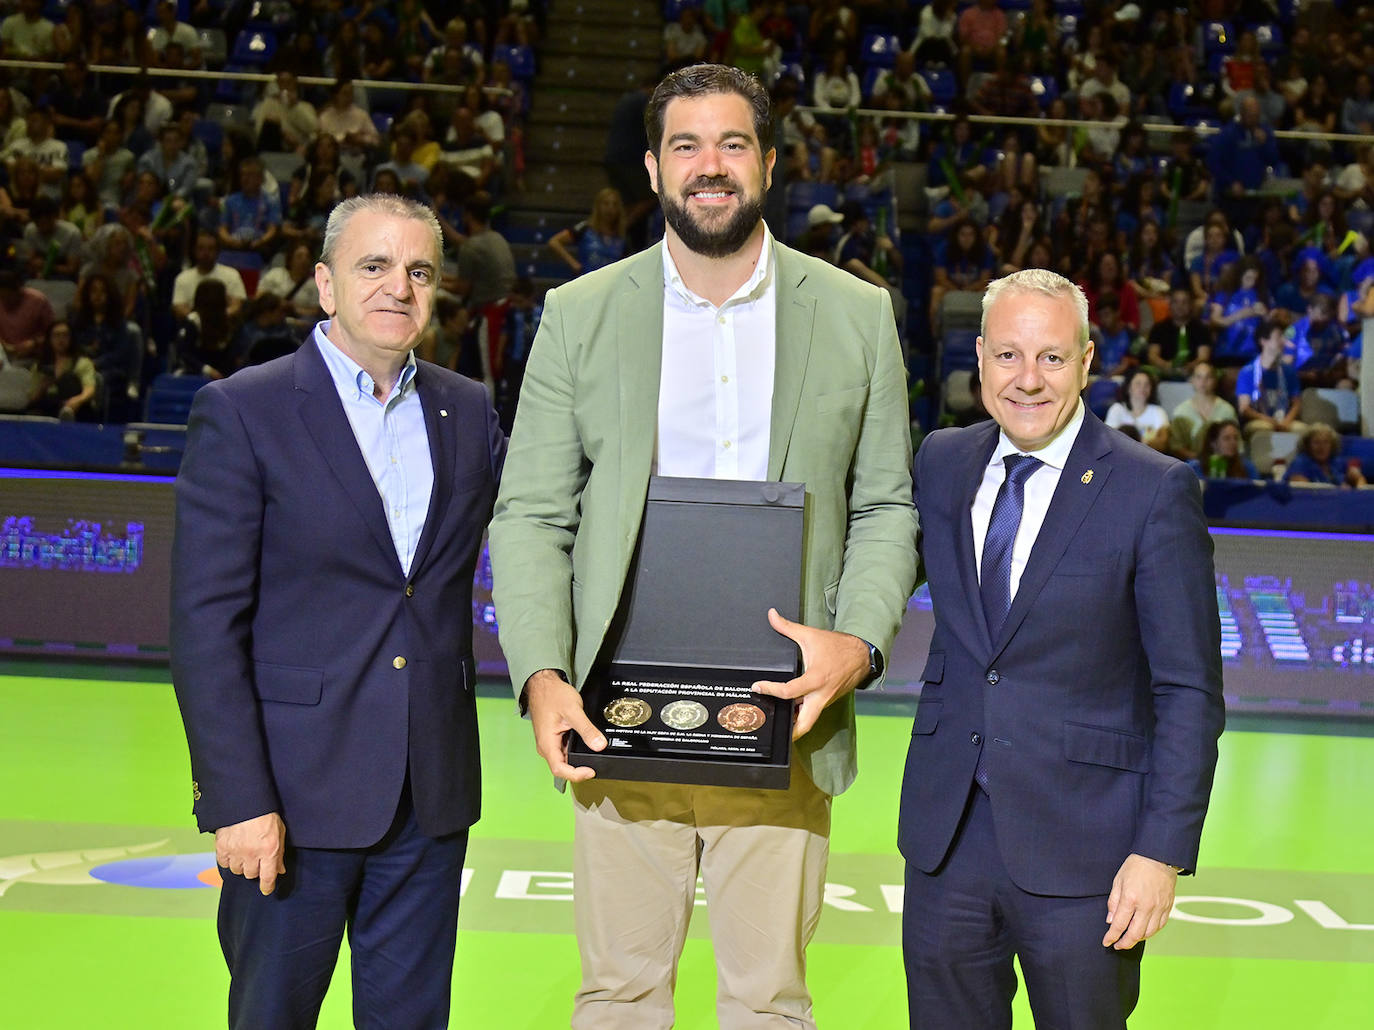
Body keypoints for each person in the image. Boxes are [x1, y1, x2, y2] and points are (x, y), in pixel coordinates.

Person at [487, 64, 918, 1029]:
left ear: (768, 161)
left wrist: (859, 646)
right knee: (619, 999)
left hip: (785, 722)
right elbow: (531, 516)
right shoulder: (581, 313)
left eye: (732, 144)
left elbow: (887, 505)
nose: (710, 166)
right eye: (686, 146)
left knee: (770, 1004)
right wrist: (542, 675)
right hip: (615, 723)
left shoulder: (854, 314)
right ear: (652, 168)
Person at [170, 194, 505, 1029]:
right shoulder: (245, 409)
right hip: (289, 801)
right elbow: (205, 626)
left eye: (419, 271)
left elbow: (543, 536)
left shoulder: (467, 410)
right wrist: (239, 800)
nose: (400, 287)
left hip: (428, 800)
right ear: (324, 285)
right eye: (374, 266)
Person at [900, 267, 1225, 1030]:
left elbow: (1189, 692)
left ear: (1086, 361)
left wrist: (1160, 851)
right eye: (1008, 355)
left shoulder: (1155, 490)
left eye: (1052, 357)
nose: (1027, 379)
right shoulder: (942, 462)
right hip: (946, 841)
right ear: (978, 359)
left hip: (1090, 852)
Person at [1236, 319, 1303, 440]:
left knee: (1303, 430)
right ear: (1263, 341)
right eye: (1278, 338)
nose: (1283, 341)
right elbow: (1244, 408)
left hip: (1284, 419)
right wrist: (1270, 421)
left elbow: (1296, 403)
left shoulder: (1289, 371)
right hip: (1261, 419)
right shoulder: (1248, 372)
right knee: (1263, 429)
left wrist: (1286, 422)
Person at [548, 187, 627, 277]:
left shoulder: (621, 236)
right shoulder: (585, 228)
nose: (610, 208)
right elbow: (554, 241)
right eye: (606, 204)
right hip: (586, 281)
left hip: (610, 284)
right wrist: (573, 263)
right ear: (598, 206)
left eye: (614, 204)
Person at [1170, 362, 1238, 460]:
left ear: (1215, 380)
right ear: (1192, 380)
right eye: (1199, 377)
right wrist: (1200, 461)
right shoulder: (1181, 411)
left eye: (1208, 377)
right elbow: (1176, 446)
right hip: (1190, 464)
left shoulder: (1227, 410)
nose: (1203, 381)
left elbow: (1236, 444)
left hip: (1223, 462)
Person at [1105, 367, 1170, 451]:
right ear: (1128, 387)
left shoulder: (1158, 411)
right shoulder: (1117, 409)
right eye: (1138, 384)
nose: (1142, 388)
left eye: (1147, 384)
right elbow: (1109, 439)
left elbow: (1163, 442)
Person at [1284, 423, 1367, 487]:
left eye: (1326, 442)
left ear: (1332, 445)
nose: (1321, 447)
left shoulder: (1336, 461)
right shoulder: (1300, 463)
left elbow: (1359, 478)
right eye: (1316, 442)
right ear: (1307, 446)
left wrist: (1359, 490)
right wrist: (1340, 492)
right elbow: (1304, 494)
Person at [1189, 419, 1258, 480]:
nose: (1233, 442)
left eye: (1236, 438)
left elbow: (1257, 491)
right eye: (1226, 438)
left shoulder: (1247, 467)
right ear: (1213, 443)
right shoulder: (1195, 467)